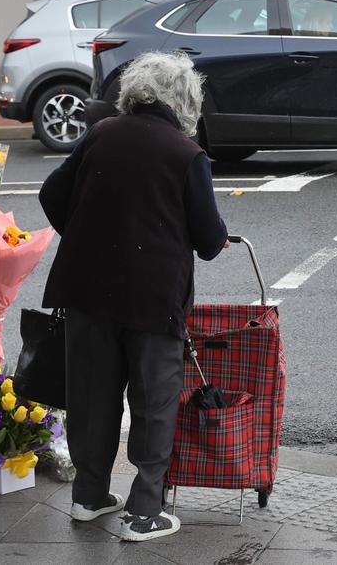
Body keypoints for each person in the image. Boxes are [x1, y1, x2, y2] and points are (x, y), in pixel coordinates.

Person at [38, 51, 229, 542]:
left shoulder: (101, 134)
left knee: (93, 395)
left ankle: (89, 496)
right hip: (152, 298)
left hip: (86, 289)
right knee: (153, 401)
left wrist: (85, 235)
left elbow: (51, 193)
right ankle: (144, 512)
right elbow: (209, 241)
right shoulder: (186, 154)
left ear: (133, 93)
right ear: (186, 102)